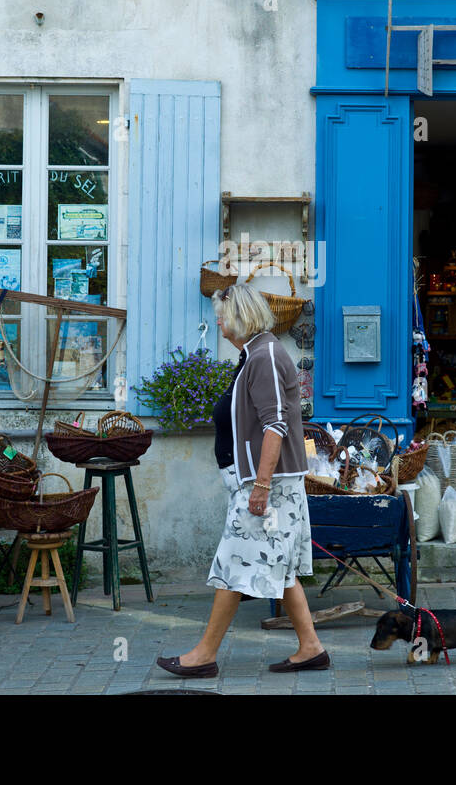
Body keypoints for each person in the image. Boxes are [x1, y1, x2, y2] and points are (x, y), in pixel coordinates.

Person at [156, 283, 328, 677]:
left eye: (222, 313)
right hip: (266, 483)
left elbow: (275, 425)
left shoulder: (264, 355)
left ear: (242, 316)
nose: (217, 320)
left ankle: (203, 655)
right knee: (278, 568)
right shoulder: (255, 354)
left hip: (268, 486)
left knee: (234, 562)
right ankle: (311, 647)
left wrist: (261, 486)